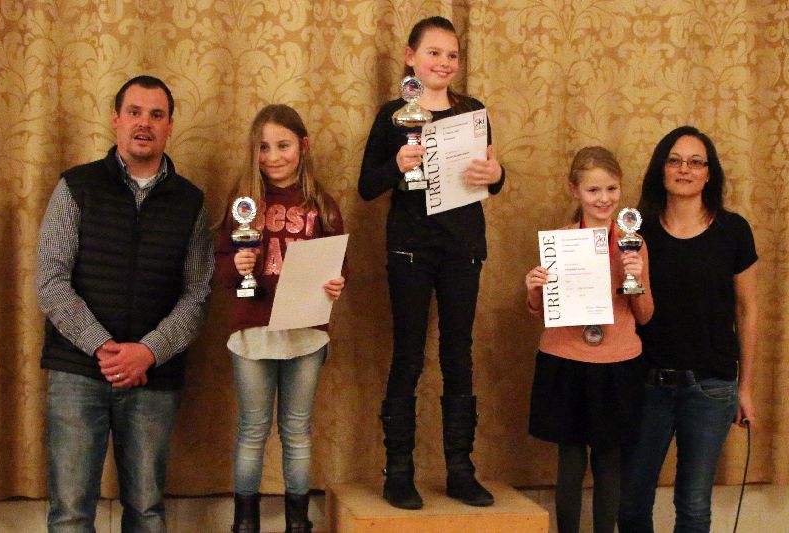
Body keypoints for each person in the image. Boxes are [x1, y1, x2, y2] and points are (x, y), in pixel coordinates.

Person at [36, 75, 215, 532]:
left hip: (154, 378)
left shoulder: (191, 202)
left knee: (148, 511)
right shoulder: (76, 186)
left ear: (170, 125)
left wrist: (148, 352)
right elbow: (51, 281)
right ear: (116, 119)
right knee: (70, 513)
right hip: (77, 372)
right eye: (134, 112)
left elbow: (197, 294)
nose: (144, 123)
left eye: (156, 115)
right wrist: (104, 347)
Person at [358, 16, 504, 509]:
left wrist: (496, 173)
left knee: (458, 353)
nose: (444, 62)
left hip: (462, 246)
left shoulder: (473, 111)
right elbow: (366, 185)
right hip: (410, 248)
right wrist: (396, 166)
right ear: (410, 57)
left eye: (452, 55)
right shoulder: (392, 114)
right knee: (409, 353)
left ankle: (460, 469)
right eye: (434, 52)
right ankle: (398, 472)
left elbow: (491, 176)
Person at [618, 126, 758, 533]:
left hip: (711, 387)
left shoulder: (734, 230)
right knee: (631, 504)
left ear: (709, 173)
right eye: (675, 160)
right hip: (645, 383)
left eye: (696, 162)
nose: (685, 169)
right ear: (660, 169)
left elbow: (748, 310)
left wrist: (746, 388)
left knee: (694, 506)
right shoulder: (635, 231)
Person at [214, 104, 346, 533]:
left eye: (283, 146)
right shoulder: (243, 202)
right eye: (264, 147)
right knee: (252, 430)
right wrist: (238, 265)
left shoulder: (321, 205)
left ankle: (298, 523)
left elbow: (339, 263)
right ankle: (244, 524)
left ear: (303, 146)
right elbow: (221, 266)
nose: (273, 157)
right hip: (253, 331)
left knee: (297, 431)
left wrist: (336, 283)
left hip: (305, 333)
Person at [525, 147, 654, 533]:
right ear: (574, 191)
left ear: (621, 188)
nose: (603, 199)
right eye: (593, 190)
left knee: (609, 462)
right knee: (569, 460)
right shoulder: (559, 243)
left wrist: (636, 278)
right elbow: (543, 311)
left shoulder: (633, 243)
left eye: (611, 189)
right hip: (565, 359)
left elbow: (645, 315)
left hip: (618, 363)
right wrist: (534, 289)